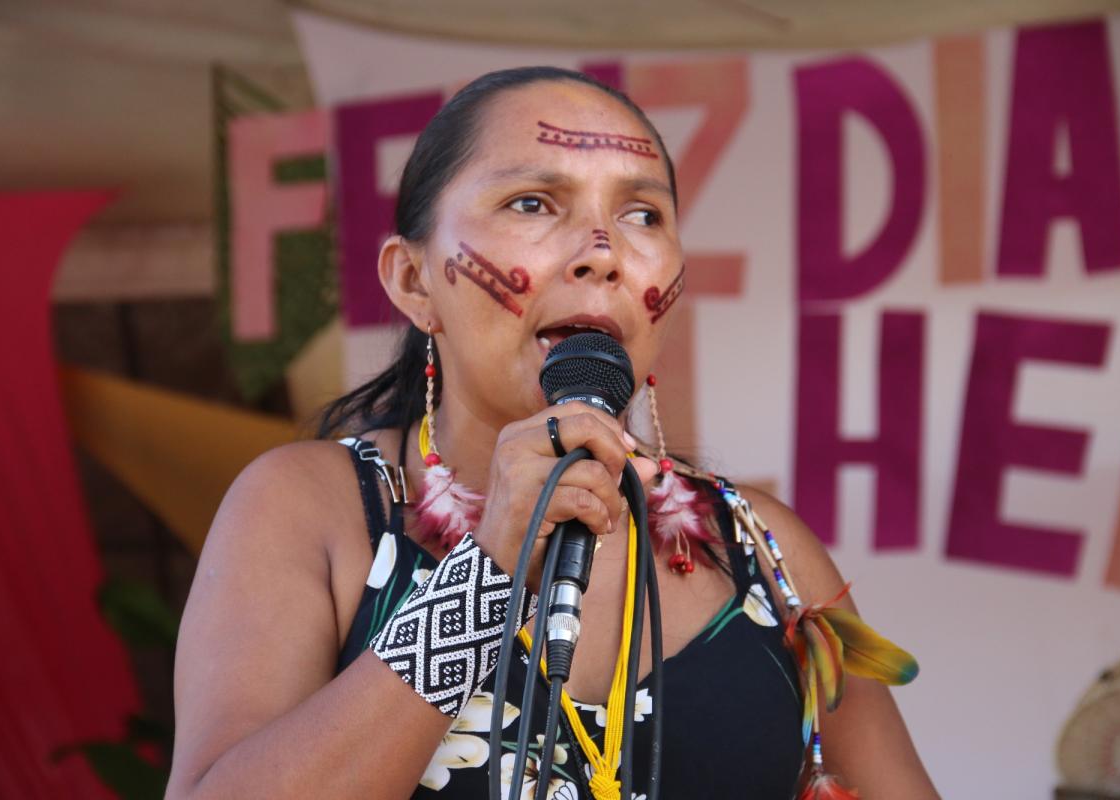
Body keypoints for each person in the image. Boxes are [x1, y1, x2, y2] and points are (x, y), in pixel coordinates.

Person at [166, 66, 939, 800]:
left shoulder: (763, 550)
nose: (602, 253)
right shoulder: (310, 508)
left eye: (642, 214)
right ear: (412, 280)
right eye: (533, 203)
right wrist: (489, 566)